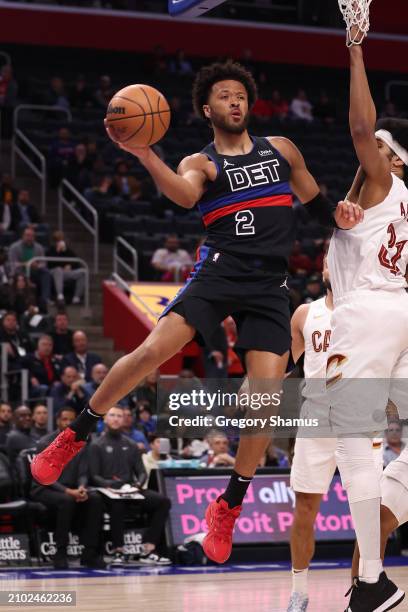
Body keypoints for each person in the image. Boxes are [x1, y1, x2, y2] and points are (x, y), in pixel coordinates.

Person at [32, 60, 360, 565]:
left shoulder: (282, 150)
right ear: (208, 109)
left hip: (270, 284)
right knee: (151, 353)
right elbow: (184, 194)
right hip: (220, 271)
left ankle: (228, 504)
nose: (235, 102)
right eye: (224, 96)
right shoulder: (202, 162)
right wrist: (144, 153)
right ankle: (75, 432)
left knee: (268, 402)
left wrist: (339, 213)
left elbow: (317, 203)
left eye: (240, 95)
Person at [325, 17, 408, 610]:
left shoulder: (383, 184)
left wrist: (356, 48)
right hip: (398, 312)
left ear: (394, 161)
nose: (367, 149)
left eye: (379, 147)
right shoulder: (373, 203)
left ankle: (373, 580)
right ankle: (378, 558)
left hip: (371, 315)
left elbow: (359, 124)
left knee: (353, 442)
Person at [286, 257, 383, 611]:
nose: (331, 266)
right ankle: (299, 592)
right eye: (327, 261)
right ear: (323, 271)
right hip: (316, 422)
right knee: (305, 510)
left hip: (360, 420)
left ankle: (362, 589)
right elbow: (299, 370)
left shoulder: (370, 312)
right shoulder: (303, 314)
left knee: (367, 511)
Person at [88, 406, 171, 566]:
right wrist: (110, 485)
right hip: (107, 491)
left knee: (163, 501)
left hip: (130, 490)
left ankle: (148, 549)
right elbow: (94, 476)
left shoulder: (132, 444)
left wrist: (138, 485)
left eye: (119, 416)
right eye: (112, 415)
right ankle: (118, 551)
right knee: (117, 503)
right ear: (104, 418)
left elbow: (141, 472)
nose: (116, 419)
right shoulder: (96, 445)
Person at [31, 407, 105, 570]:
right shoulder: (45, 442)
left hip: (72, 488)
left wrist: (81, 487)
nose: (68, 423)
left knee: (96, 499)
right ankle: (60, 554)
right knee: (67, 501)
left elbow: (84, 472)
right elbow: (43, 477)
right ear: (58, 421)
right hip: (44, 488)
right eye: (64, 419)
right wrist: (68, 491)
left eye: (72, 420)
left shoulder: (80, 442)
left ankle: (90, 553)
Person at [8, 226, 52, 304]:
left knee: (45, 272)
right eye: (27, 235)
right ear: (23, 236)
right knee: (20, 276)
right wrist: (27, 264)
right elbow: (12, 264)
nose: (29, 238)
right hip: (20, 272)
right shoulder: (14, 247)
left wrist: (37, 266)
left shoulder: (39, 247)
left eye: (32, 236)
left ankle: (45, 299)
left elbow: (44, 263)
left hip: (34, 272)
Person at [46, 231, 85, 305]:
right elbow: (49, 264)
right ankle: (60, 296)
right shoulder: (50, 250)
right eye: (58, 240)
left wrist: (70, 265)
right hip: (54, 273)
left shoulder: (68, 250)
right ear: (54, 242)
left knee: (83, 272)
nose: (60, 242)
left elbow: (76, 262)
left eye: (62, 240)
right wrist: (57, 251)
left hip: (66, 273)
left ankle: (76, 298)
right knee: (58, 270)